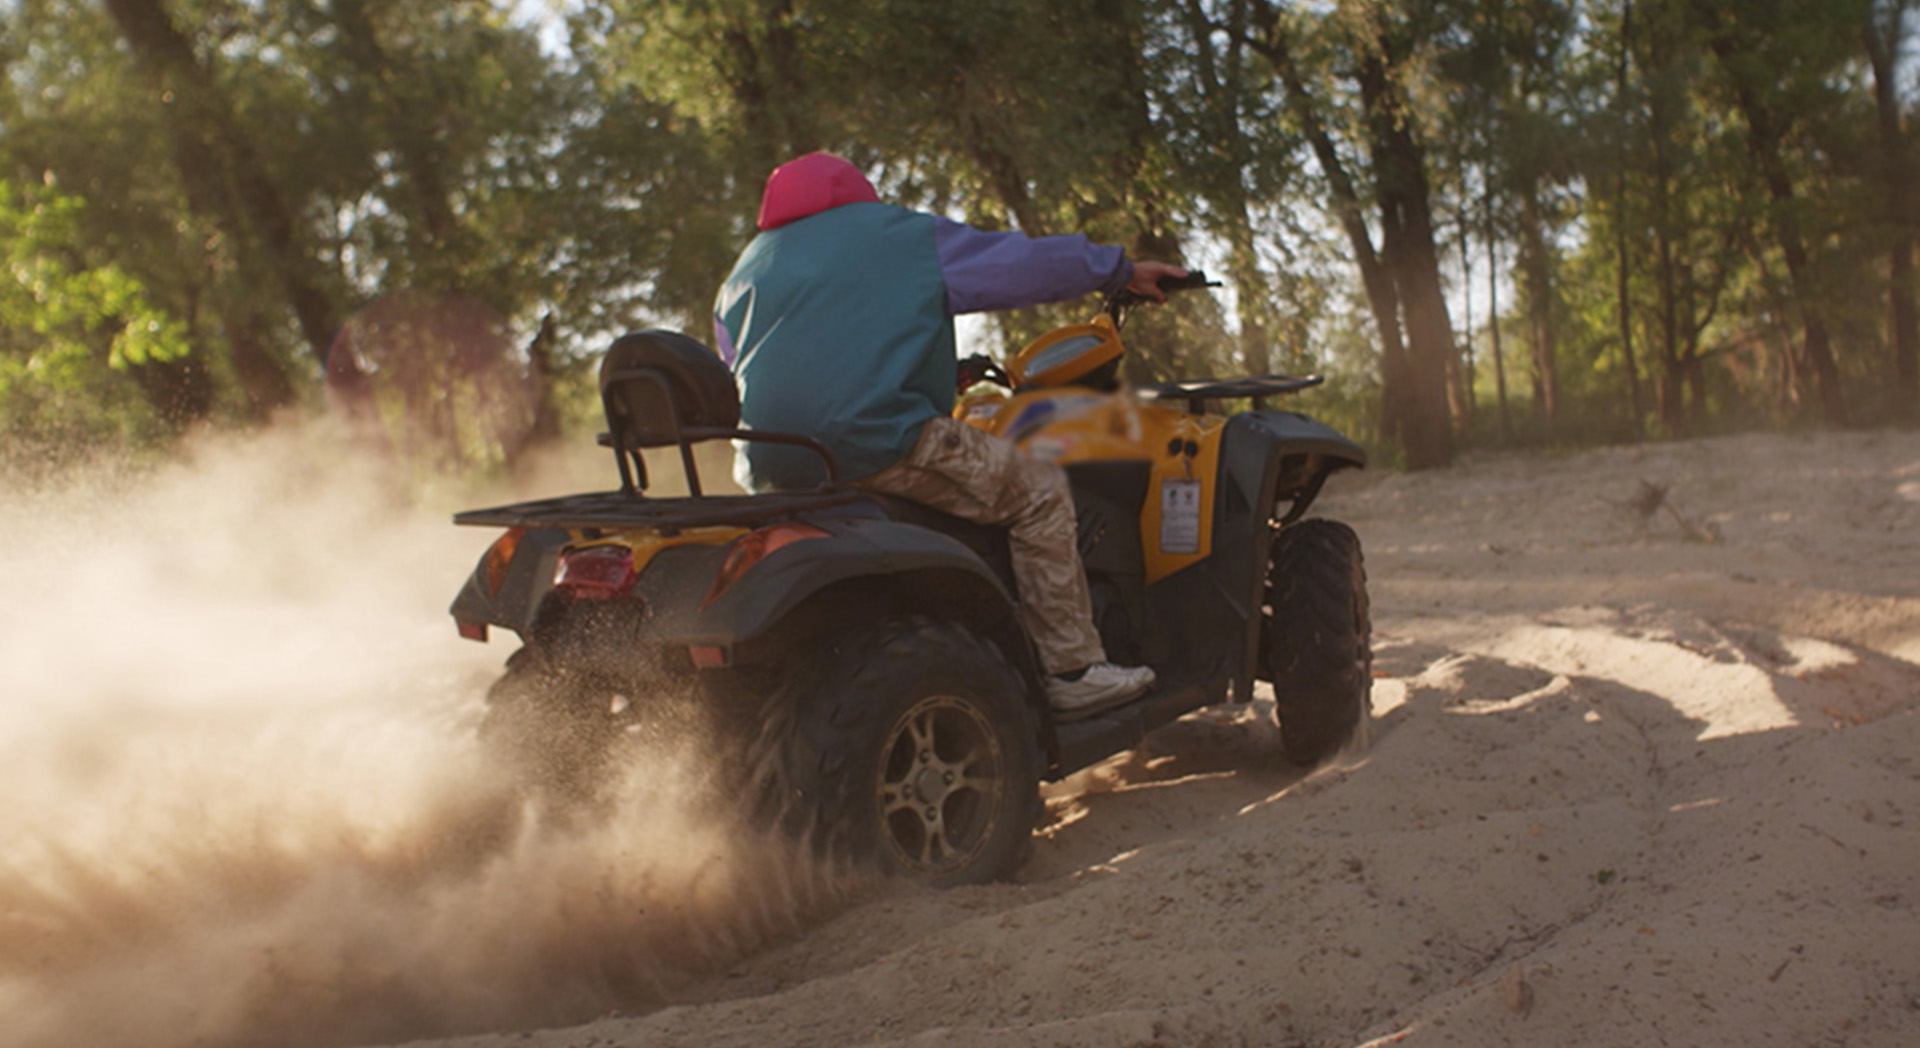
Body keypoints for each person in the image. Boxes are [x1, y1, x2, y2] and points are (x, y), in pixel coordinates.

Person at [713, 152, 1185, 718]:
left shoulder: (743, 272)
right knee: (1037, 491)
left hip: (771, 467)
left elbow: (755, 365)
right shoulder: (895, 235)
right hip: (876, 438)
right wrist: (1118, 270)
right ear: (858, 196)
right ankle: (1073, 669)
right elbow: (1020, 264)